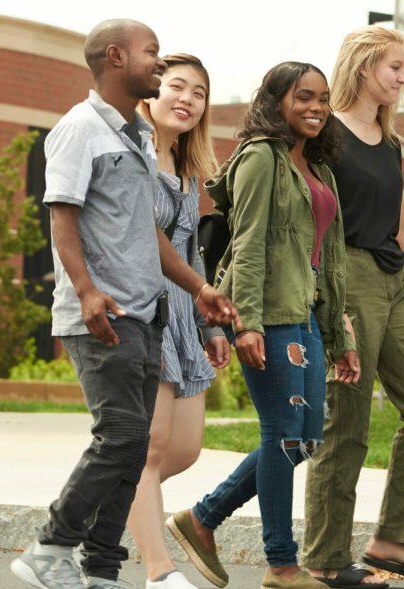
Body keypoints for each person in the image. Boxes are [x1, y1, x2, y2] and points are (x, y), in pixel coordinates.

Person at [8, 19, 236, 589]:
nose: (159, 66)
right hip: (105, 312)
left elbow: (150, 234)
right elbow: (61, 212)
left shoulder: (136, 136)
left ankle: (102, 572)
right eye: (152, 55)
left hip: (150, 312)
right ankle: (51, 548)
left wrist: (199, 289)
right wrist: (85, 292)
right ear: (116, 57)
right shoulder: (79, 128)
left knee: (135, 451)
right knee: (128, 439)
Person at [167, 61, 361, 589]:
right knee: (281, 435)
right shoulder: (260, 158)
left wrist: (339, 335)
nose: (315, 107)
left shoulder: (317, 169)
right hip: (266, 316)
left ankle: (203, 518)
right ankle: (280, 565)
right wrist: (245, 323)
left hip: (303, 316)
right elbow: (249, 244)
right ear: (277, 101)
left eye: (322, 98)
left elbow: (328, 259)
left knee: (304, 440)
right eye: (303, 97)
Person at [302, 26, 404, 588]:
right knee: (347, 420)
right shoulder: (324, 136)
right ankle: (323, 557)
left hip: (393, 279)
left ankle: (392, 540)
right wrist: (327, 301)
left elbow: (399, 222)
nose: (403, 77)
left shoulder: (389, 141)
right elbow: (311, 223)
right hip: (347, 275)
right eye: (395, 66)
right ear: (365, 67)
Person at [124, 52, 231, 589]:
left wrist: (210, 324)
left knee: (184, 450)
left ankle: (89, 504)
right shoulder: (133, 153)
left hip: (184, 314)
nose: (187, 99)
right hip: (143, 308)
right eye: (178, 87)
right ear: (150, 94)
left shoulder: (189, 171)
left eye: (199, 93)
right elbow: (144, 237)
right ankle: (159, 573)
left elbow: (192, 254)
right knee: (148, 449)